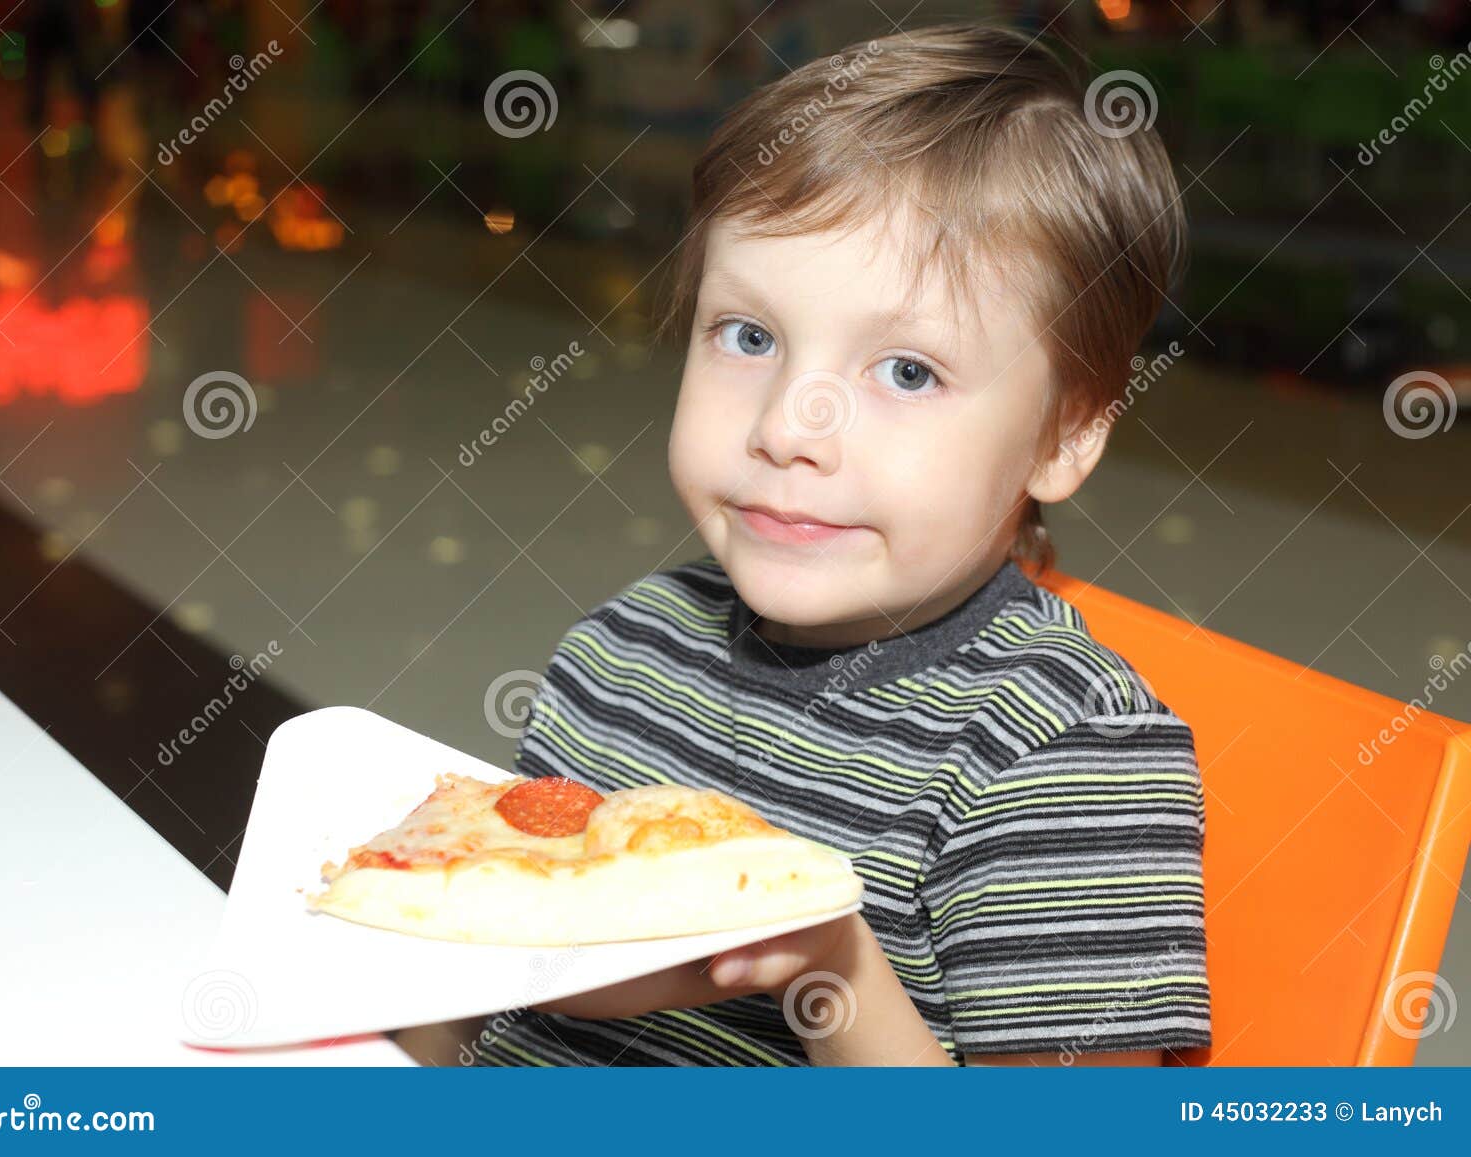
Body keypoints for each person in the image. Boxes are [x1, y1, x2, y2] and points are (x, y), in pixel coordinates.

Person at [405, 22, 1210, 1068]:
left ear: (1062, 437)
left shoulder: (1061, 758)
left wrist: (825, 964)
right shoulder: (624, 650)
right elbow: (454, 1001)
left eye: (908, 371)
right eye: (748, 336)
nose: (788, 424)